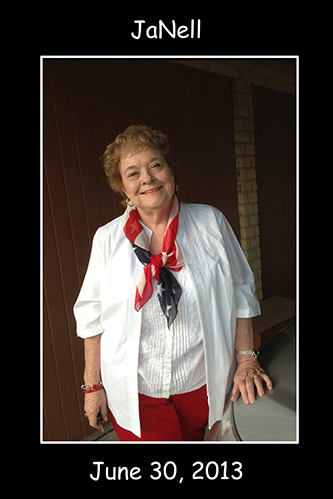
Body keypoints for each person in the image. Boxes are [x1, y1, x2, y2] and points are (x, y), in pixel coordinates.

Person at [74, 124, 273, 441]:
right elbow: (91, 315)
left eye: (156, 165)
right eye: (132, 173)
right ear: (123, 188)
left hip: (202, 384)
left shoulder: (210, 222)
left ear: (172, 171)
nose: (147, 178)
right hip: (137, 394)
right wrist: (92, 386)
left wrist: (247, 360)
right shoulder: (107, 239)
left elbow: (240, 290)